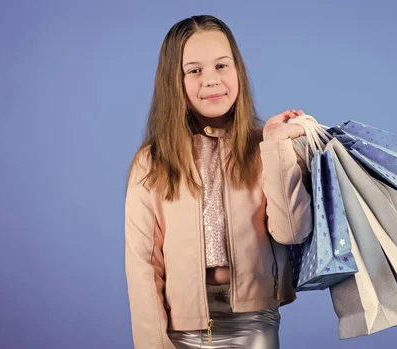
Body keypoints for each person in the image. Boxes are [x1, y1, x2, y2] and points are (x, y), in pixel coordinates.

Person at [124, 14, 313, 349]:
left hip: (254, 323)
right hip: (180, 329)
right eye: (194, 70)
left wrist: (276, 146)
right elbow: (143, 266)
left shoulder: (265, 148)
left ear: (237, 70)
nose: (211, 80)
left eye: (221, 66)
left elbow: (292, 231)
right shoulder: (153, 161)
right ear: (174, 82)